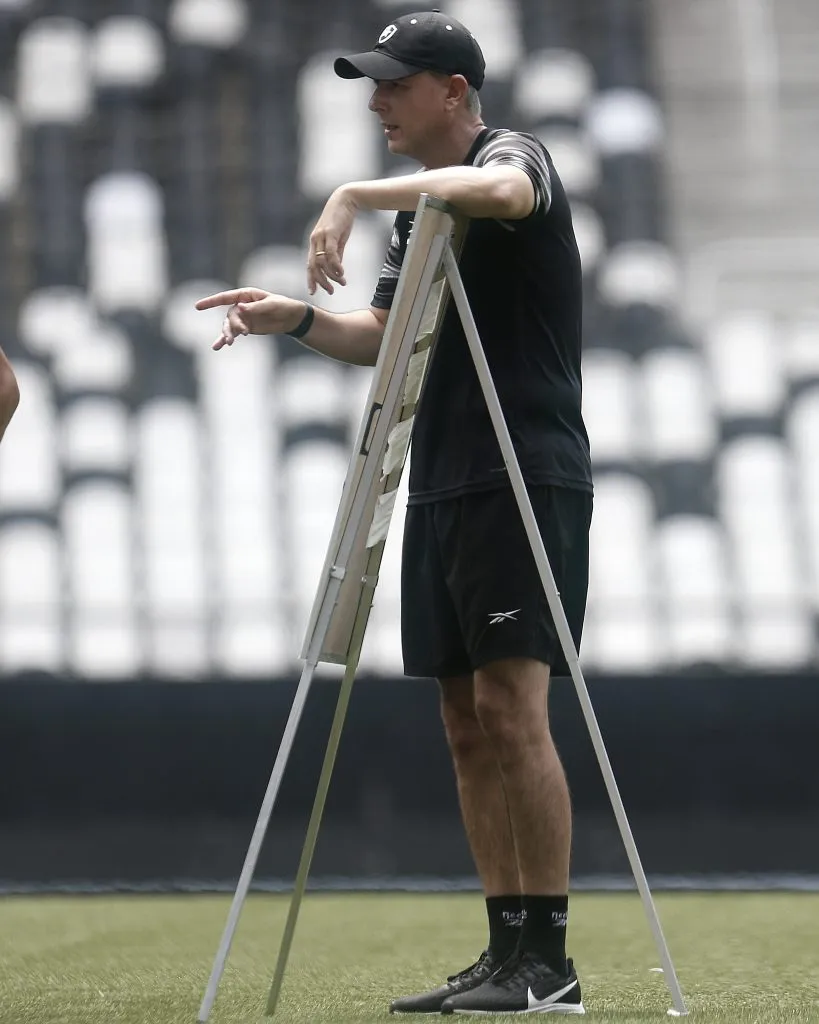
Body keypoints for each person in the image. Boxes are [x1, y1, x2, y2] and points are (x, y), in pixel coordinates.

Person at [196, 10, 593, 1016]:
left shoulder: (510, 156)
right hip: (443, 473)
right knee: (464, 722)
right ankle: (505, 952)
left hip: (521, 472)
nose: (376, 102)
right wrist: (291, 317)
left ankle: (549, 965)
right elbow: (382, 332)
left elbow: (506, 193)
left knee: (512, 709)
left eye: (394, 84)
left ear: (453, 91)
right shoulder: (422, 213)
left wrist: (351, 194)